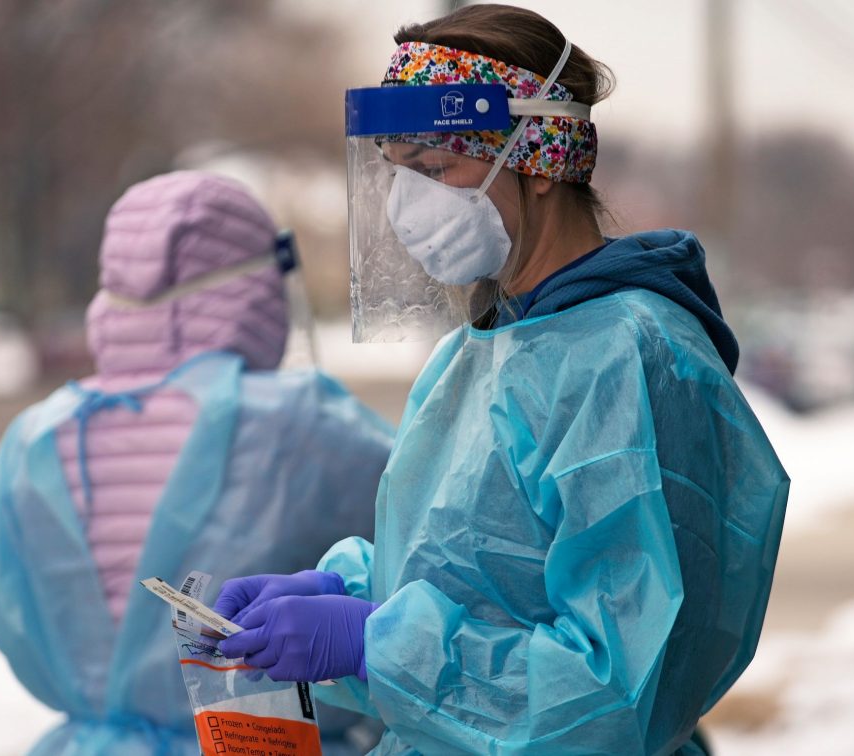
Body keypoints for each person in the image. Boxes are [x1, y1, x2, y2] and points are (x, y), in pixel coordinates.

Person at [212, 6, 790, 754]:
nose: (406, 203)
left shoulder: (628, 359)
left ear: (540, 160)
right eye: (396, 169)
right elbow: (476, 575)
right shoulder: (480, 352)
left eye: (433, 169)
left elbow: (615, 691)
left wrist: (377, 642)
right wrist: (350, 596)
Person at [0, 171, 393, 754]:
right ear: (257, 290)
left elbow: (10, 614)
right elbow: (430, 541)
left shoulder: (31, 440)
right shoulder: (303, 421)